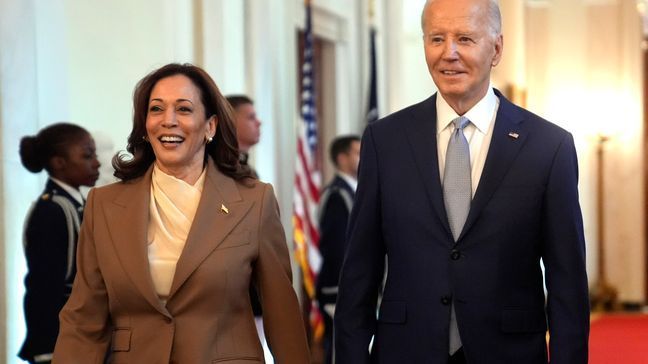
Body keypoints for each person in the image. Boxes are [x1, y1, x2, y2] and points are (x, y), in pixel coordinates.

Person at [334, 0, 590, 363]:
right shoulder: (384, 141)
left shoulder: (549, 147)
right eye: (436, 38)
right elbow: (359, 273)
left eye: (465, 39)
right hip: (406, 352)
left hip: (508, 353)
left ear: (496, 48)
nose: (448, 53)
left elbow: (568, 286)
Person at [52, 63, 310, 363]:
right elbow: (85, 319)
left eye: (184, 109)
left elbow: (282, 313)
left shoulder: (254, 201)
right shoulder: (104, 205)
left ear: (210, 127)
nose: (168, 120)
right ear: (145, 125)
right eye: (156, 109)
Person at [18, 123, 101, 364]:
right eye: (87, 155)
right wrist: (48, 348)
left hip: (81, 337)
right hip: (60, 341)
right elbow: (45, 286)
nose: (96, 163)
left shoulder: (76, 204)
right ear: (58, 163)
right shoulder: (53, 210)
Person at [316, 135, 360, 364]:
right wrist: (341, 286)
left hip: (352, 286)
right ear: (342, 158)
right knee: (338, 350)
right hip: (338, 286)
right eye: (358, 153)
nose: (364, 159)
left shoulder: (355, 191)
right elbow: (336, 247)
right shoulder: (337, 194)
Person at [226, 94, 262, 177]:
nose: (259, 123)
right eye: (251, 117)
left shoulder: (249, 172)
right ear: (230, 121)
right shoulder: (218, 170)